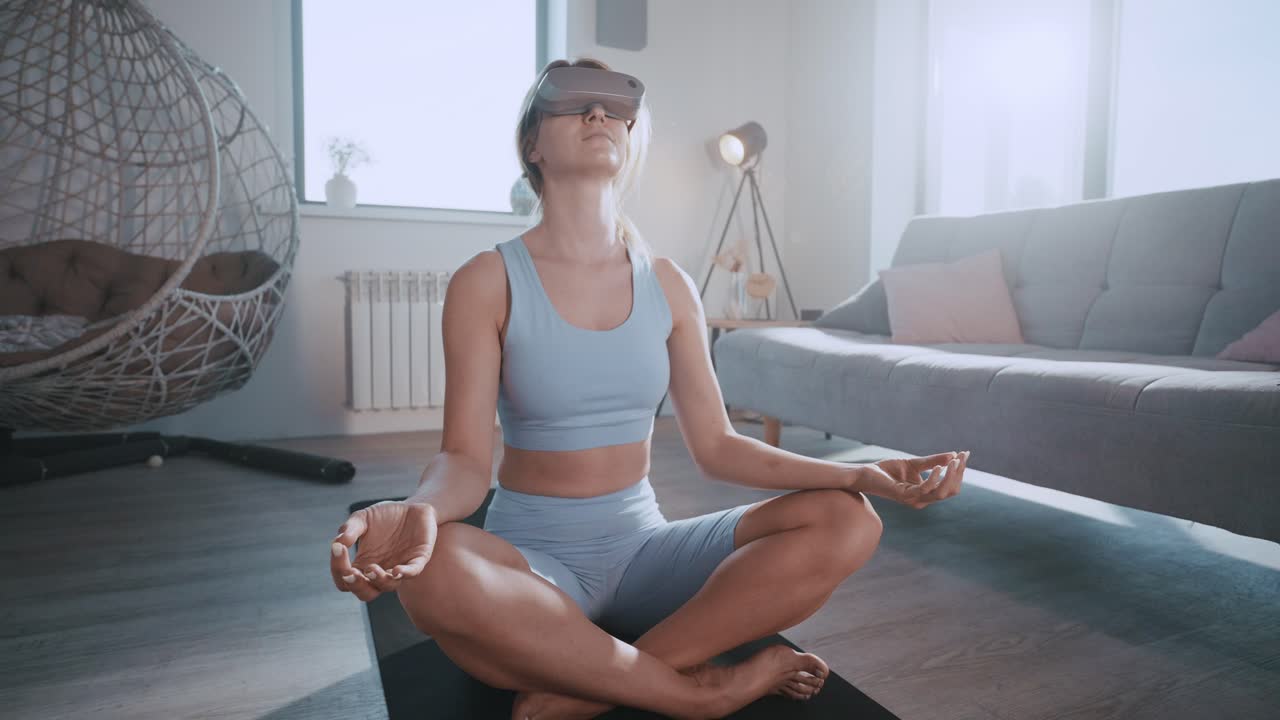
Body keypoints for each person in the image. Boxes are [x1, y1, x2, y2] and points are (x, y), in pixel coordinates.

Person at [329, 57, 970, 720]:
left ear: (631, 135)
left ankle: (586, 688)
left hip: (645, 554)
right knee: (431, 574)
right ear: (532, 145)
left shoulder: (668, 284)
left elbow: (718, 446)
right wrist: (419, 511)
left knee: (846, 521)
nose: (599, 115)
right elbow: (464, 459)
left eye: (614, 107)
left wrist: (861, 476)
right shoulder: (486, 281)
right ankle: (697, 690)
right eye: (575, 104)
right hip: (535, 565)